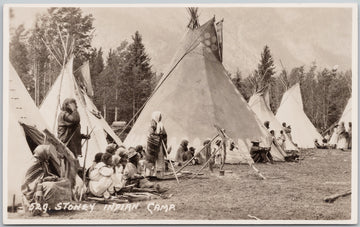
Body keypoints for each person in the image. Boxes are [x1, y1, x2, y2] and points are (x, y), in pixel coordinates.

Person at [22, 145, 72, 216]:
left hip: (40, 182)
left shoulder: (43, 162)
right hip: (31, 188)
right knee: (52, 186)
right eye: (48, 154)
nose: (49, 156)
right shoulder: (34, 163)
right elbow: (31, 181)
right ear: (43, 153)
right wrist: (48, 179)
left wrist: (52, 177)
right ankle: (40, 208)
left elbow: (45, 174)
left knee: (66, 182)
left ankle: (64, 205)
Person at [145, 111, 167, 178]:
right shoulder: (152, 123)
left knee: (160, 157)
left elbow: (164, 133)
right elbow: (150, 134)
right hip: (152, 145)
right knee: (151, 159)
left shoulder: (160, 124)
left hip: (159, 144)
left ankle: (158, 175)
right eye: (159, 116)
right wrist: (158, 136)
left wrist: (162, 135)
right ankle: (149, 174)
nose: (160, 118)